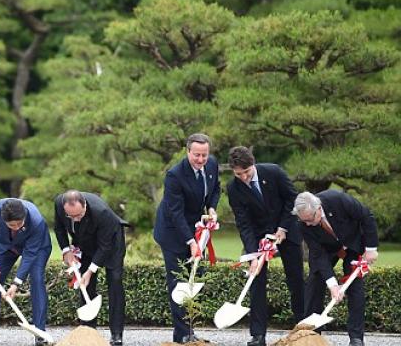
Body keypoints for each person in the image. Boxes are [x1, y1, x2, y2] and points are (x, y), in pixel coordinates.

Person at [226, 146, 305, 346]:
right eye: (238, 174)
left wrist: (283, 228)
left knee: (295, 280)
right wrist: (253, 254)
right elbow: (243, 222)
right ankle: (258, 335)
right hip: (258, 238)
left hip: (286, 232)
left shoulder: (274, 172)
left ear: (253, 164)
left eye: (246, 172)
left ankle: (304, 329)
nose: (243, 177)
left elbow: (292, 199)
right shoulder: (233, 188)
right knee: (256, 282)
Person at [153, 133, 220, 344]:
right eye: (196, 155)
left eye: (204, 155)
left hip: (196, 228)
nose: (201, 160)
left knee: (195, 277)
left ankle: (190, 330)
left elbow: (215, 189)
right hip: (173, 232)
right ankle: (182, 334)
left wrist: (211, 208)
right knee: (179, 281)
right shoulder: (175, 175)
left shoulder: (211, 165)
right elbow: (175, 212)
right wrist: (191, 242)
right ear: (187, 151)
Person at [293, 191, 379, 346]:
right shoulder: (303, 223)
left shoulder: (338, 199)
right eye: (303, 220)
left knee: (355, 287)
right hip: (325, 249)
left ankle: (356, 338)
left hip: (352, 242)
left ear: (318, 209)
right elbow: (318, 254)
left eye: (310, 219)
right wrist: (332, 285)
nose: (307, 223)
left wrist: (371, 248)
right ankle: (310, 334)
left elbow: (366, 216)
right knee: (315, 281)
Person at [54, 190, 128, 346]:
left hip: (111, 244)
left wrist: (91, 270)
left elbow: (104, 246)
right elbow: (59, 228)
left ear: (85, 206)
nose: (75, 220)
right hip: (84, 243)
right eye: (71, 217)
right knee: (85, 284)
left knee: (114, 281)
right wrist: (66, 251)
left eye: (78, 216)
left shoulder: (102, 213)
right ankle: (87, 329)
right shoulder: (59, 204)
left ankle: (116, 334)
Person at [0, 198, 52, 346]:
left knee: (36, 280)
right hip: (7, 247)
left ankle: (40, 335)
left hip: (37, 248)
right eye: (12, 225)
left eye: (20, 223)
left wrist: (16, 283)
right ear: (3, 220)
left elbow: (29, 256)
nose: (16, 227)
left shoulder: (36, 221)